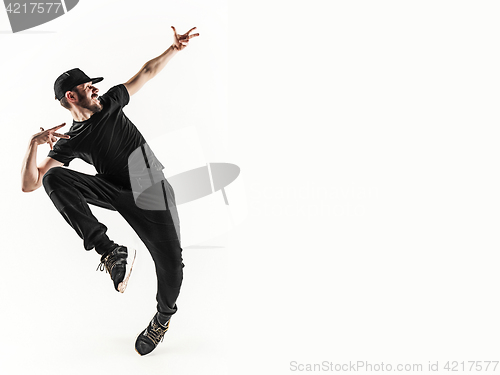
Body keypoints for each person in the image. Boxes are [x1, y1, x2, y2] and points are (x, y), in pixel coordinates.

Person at [20, 26, 199, 356]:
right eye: (88, 87)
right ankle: (108, 250)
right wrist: (32, 147)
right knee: (54, 179)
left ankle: (162, 318)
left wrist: (173, 49)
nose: (96, 89)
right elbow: (30, 183)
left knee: (172, 266)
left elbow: (145, 72)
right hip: (115, 191)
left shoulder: (113, 100)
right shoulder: (71, 140)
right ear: (71, 97)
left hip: (152, 188)